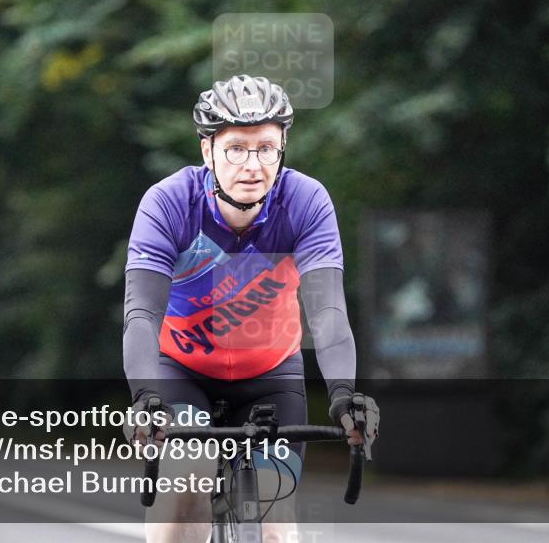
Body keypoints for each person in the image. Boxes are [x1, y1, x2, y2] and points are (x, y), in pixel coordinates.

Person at [123, 75, 380, 543]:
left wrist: (343, 394)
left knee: (276, 512)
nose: (252, 164)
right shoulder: (168, 204)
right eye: (236, 148)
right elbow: (142, 313)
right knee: (186, 484)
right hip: (182, 370)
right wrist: (145, 399)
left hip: (271, 373)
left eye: (267, 148)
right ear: (208, 151)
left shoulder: (305, 202)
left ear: (283, 149)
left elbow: (327, 314)